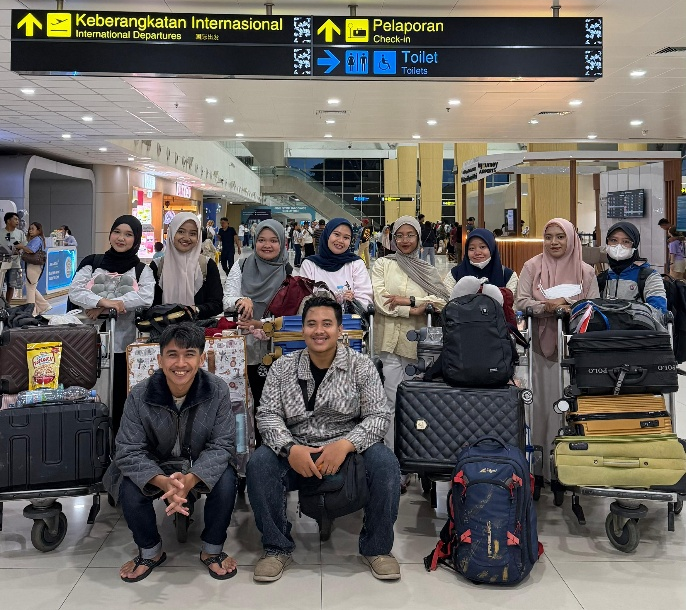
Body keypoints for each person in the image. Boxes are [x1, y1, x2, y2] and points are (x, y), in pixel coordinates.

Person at [246, 296, 401, 583]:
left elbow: (379, 415)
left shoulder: (361, 365)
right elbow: (267, 414)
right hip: (297, 446)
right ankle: (276, 547)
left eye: (327, 324)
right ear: (302, 329)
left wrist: (345, 445)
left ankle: (377, 548)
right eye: (312, 324)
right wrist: (290, 449)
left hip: (348, 447)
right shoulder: (282, 368)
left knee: (385, 463)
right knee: (259, 463)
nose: (319, 331)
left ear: (340, 329)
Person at [103, 324, 239, 583]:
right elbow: (128, 450)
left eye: (189, 354)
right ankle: (150, 552)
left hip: (198, 463)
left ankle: (212, 550)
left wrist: (191, 479)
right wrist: (163, 481)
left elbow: (222, 445)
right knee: (129, 485)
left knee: (227, 479)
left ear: (201, 359)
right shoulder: (140, 394)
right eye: (172, 354)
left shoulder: (217, 390)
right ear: (159, 359)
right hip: (156, 465)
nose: (180, 363)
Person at [515, 218, 599, 480]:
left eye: (560, 237)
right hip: (540, 349)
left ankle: (570, 468)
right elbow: (521, 301)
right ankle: (539, 467)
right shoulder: (533, 266)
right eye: (549, 236)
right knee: (541, 404)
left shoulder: (586, 271)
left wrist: (568, 304)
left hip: (575, 350)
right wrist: (547, 307)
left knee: (571, 405)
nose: (554, 242)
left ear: (571, 239)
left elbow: (594, 306)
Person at [371, 216, 449, 471]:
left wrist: (409, 301)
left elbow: (442, 300)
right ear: (393, 238)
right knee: (391, 401)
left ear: (418, 238)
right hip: (389, 342)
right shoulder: (383, 264)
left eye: (410, 235)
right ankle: (393, 463)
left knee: (416, 403)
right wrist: (413, 310)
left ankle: (415, 459)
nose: (405, 240)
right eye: (400, 235)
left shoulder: (427, 269)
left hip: (418, 346)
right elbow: (381, 300)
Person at [69, 215, 155, 434]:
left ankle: (118, 441)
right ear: (110, 235)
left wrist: (103, 307)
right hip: (88, 344)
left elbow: (145, 297)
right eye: (117, 232)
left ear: (136, 240)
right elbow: (75, 292)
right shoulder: (93, 262)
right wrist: (103, 302)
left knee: (120, 396)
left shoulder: (141, 270)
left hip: (123, 344)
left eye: (128, 234)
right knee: (91, 392)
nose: (121, 238)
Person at [223, 220, 292, 441]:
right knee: (252, 400)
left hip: (279, 348)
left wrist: (262, 324)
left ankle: (278, 446)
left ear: (282, 243)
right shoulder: (242, 265)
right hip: (248, 347)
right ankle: (254, 449)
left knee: (279, 404)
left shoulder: (288, 271)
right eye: (261, 240)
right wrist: (241, 300)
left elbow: (291, 311)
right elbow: (227, 299)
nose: (267, 245)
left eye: (273, 240)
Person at [150, 213, 223, 320]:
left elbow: (217, 304)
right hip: (162, 329)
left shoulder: (207, 265)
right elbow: (149, 306)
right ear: (172, 232)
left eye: (192, 234)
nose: (186, 238)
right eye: (180, 231)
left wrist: (196, 310)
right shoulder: (157, 266)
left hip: (198, 328)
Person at [300, 217, 373, 309]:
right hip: (318, 317)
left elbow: (366, 301)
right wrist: (335, 301)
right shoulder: (310, 265)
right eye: (336, 234)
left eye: (346, 237)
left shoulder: (356, 264)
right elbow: (303, 302)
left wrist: (352, 302)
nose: (340, 241)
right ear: (327, 235)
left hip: (350, 318)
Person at [600, 221, 667, 314]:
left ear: (634, 245)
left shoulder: (649, 276)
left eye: (626, 242)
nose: (619, 246)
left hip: (639, 323)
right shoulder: (602, 278)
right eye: (613, 240)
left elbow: (659, 310)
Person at [444, 228, 518, 306]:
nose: (477, 252)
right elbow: (445, 304)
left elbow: (513, 306)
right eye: (471, 248)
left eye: (482, 247)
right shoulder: (455, 274)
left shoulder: (508, 275)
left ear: (492, 248)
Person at [16, 221, 50, 315]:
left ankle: (31, 311)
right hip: (35, 266)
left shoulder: (37, 239)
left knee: (30, 288)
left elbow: (31, 250)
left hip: (33, 266)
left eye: (32, 229)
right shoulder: (39, 239)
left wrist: (22, 246)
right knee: (32, 287)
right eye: (29, 229)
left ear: (38, 230)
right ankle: (43, 306)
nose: (30, 231)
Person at [1, 211, 26, 303]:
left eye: (18, 220)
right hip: (1, 264)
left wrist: (19, 250)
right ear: (8, 221)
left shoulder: (20, 233)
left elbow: (25, 246)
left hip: (14, 264)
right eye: (15, 219)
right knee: (0, 284)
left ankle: (7, 304)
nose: (17, 221)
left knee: (11, 285)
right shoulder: (1, 232)